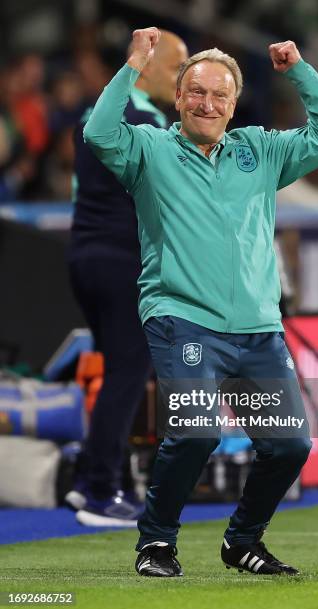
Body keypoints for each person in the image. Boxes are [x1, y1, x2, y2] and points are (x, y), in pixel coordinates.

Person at [83, 28, 318, 574]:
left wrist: (299, 71)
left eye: (219, 95)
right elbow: (98, 130)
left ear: (233, 104)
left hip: (256, 327)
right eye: (196, 93)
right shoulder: (148, 149)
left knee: (289, 447)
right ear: (178, 99)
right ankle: (156, 542)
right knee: (197, 428)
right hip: (182, 321)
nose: (207, 104)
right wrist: (135, 64)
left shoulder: (261, 150)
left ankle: (242, 540)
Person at [66, 31, 188, 527]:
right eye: (178, 68)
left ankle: (92, 479)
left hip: (82, 257)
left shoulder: (98, 114)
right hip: (123, 261)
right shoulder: (149, 123)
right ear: (149, 67)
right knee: (128, 372)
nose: (182, 81)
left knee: (116, 369)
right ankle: (99, 492)